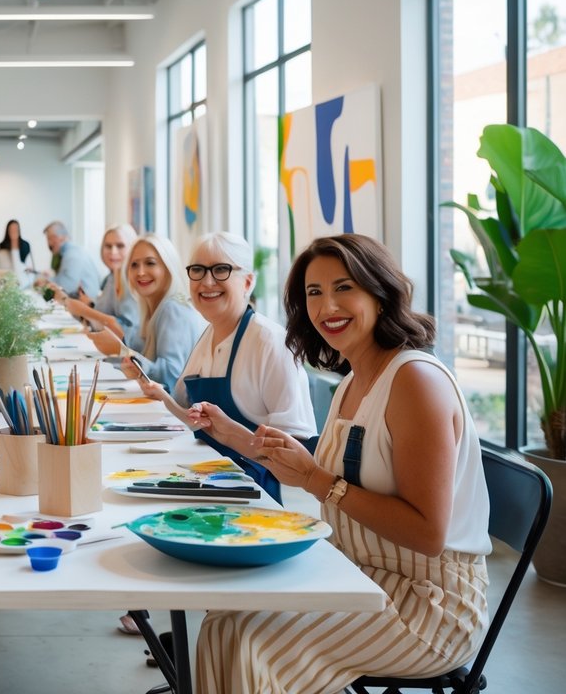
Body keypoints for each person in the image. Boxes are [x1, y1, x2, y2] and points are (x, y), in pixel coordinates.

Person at [194, 234, 490, 693]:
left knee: (253, 638)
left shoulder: (415, 381)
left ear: (380, 290)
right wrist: (240, 437)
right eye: (314, 293)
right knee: (224, 619)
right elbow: (336, 475)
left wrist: (318, 481)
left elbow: (428, 534)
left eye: (344, 287)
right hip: (361, 573)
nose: (327, 305)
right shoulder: (353, 380)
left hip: (428, 605)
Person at [126, 231, 316, 502]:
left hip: (253, 498)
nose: (207, 281)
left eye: (221, 270)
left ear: (248, 281)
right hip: (204, 483)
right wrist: (163, 398)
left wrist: (233, 434)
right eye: (198, 271)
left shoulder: (271, 343)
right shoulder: (208, 335)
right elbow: (193, 419)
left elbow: (296, 456)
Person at [91, 234, 202, 391]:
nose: (141, 272)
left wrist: (126, 354)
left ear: (168, 267)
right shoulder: (152, 306)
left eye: (150, 263)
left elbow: (172, 375)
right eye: (134, 265)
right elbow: (144, 350)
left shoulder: (174, 308)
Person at [64, 224, 140, 342]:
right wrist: (89, 304)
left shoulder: (132, 281)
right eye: (108, 246)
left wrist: (83, 310)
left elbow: (125, 331)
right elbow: (106, 314)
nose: (113, 251)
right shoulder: (112, 277)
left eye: (120, 246)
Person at [41, 220, 103, 298]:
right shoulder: (69, 253)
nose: (49, 243)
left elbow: (66, 286)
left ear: (63, 237)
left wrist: (45, 281)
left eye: (51, 238)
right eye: (48, 239)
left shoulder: (73, 255)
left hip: (86, 304)